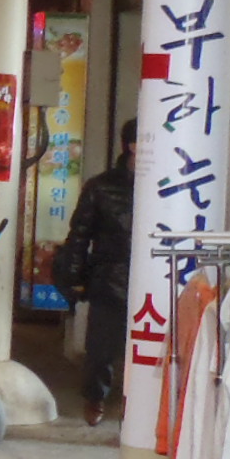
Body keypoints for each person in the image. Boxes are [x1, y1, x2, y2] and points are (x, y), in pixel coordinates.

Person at [53, 119, 138, 425]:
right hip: (109, 276)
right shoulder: (101, 187)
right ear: (131, 146)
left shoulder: (167, 186)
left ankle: (135, 402)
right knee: (101, 349)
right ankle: (95, 397)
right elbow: (79, 235)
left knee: (147, 346)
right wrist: (73, 277)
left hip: (153, 278)